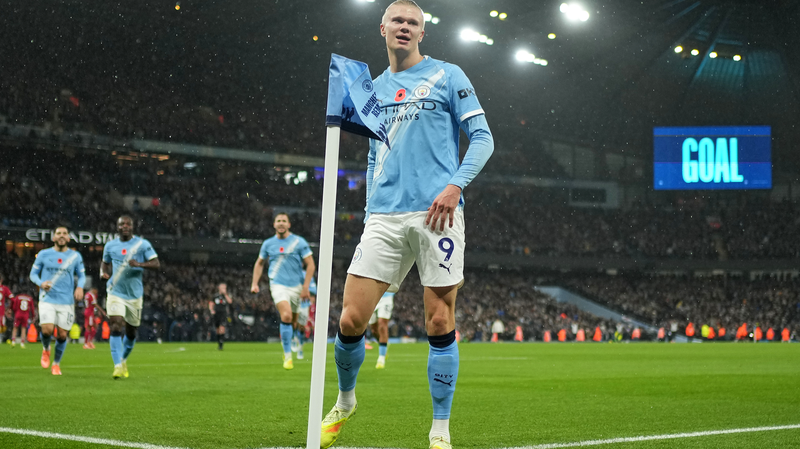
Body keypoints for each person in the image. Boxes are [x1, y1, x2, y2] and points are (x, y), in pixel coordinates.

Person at [319, 2, 493, 448]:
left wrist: (455, 186)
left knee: (438, 321)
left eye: (413, 22)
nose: (404, 27)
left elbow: (483, 139)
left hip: (439, 214)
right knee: (351, 317)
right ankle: (345, 399)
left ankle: (439, 429)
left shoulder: (448, 75)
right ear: (383, 29)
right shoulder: (369, 90)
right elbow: (375, 154)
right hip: (385, 214)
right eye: (397, 20)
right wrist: (371, 206)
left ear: (422, 33)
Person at [250, 212, 316, 370]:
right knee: (286, 315)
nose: (281, 223)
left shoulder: (299, 242)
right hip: (278, 285)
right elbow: (259, 263)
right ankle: (287, 356)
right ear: (274, 224)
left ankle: (292, 339)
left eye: (284, 221)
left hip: (296, 287)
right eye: (278, 221)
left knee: (293, 321)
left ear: (289, 224)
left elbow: (311, 265)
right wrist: (254, 283)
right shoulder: (268, 244)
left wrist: (306, 287)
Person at [100, 216, 160, 379]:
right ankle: (117, 365)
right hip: (114, 292)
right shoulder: (110, 245)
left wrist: (140, 265)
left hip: (134, 295)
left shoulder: (143, 244)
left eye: (128, 224)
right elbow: (105, 263)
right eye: (121, 224)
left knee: (131, 332)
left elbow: (156, 263)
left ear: (133, 227)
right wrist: (103, 272)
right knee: (116, 325)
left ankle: (123, 359)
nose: (125, 226)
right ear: (117, 227)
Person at [29, 226, 86, 375]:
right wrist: (41, 283)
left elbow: (82, 276)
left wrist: (80, 287)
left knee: (62, 335)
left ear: (68, 238)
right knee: (47, 330)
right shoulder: (43, 254)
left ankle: (56, 363)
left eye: (65, 233)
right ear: (53, 237)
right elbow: (33, 274)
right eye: (59, 233)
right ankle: (46, 349)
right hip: (47, 298)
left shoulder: (75, 256)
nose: (62, 236)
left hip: (67, 301)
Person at [292, 273, 317, 360]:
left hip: (304, 304)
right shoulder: (292, 273)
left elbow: (314, 290)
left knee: (302, 327)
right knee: (293, 321)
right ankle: (294, 337)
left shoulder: (307, 275)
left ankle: (300, 348)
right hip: (294, 300)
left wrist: (306, 290)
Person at [369, 291, 395, 369]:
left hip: (386, 297)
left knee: (382, 324)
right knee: (374, 330)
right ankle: (384, 343)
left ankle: (381, 358)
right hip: (372, 297)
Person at [209, 283, 233, 350]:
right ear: (219, 288)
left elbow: (230, 301)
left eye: (225, 288)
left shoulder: (227, 295)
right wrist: (211, 310)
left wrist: (225, 294)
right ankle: (219, 343)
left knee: (222, 328)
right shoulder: (215, 296)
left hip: (223, 314)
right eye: (222, 288)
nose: (224, 289)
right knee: (217, 330)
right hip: (216, 314)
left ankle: (221, 345)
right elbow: (211, 303)